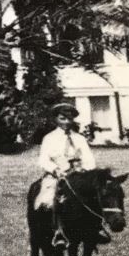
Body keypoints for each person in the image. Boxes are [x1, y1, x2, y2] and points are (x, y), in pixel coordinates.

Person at [35, 102, 101, 248]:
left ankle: (96, 229)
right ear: (56, 119)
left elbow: (89, 158)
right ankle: (57, 231)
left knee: (96, 196)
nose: (66, 122)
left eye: (69, 119)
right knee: (49, 200)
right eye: (62, 118)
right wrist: (55, 169)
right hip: (58, 175)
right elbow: (43, 159)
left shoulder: (79, 138)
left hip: (79, 175)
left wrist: (86, 169)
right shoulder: (49, 138)